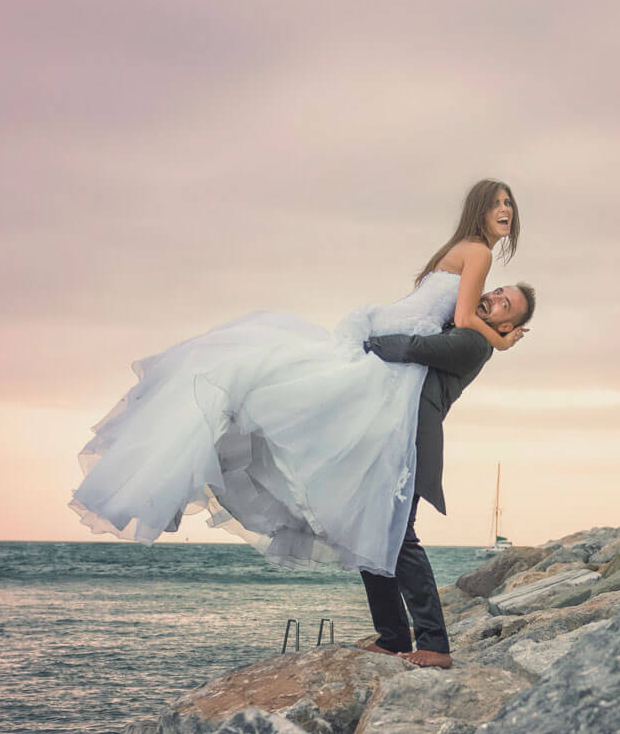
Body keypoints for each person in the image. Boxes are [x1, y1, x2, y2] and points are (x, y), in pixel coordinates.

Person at [69, 179, 528, 586]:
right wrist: (502, 341)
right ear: (480, 211)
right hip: (401, 342)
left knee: (315, 405)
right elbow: (466, 318)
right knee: (332, 423)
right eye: (496, 203)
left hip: (394, 327)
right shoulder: (480, 252)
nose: (505, 209)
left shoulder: (454, 249)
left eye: (509, 203)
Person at [359, 282, 535, 668]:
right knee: (374, 535)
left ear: (507, 327)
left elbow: (413, 349)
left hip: (414, 445)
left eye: (505, 304)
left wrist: (365, 344)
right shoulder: (464, 325)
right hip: (395, 438)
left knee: (400, 539)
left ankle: (435, 643)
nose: (492, 297)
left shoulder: (474, 343)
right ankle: (391, 637)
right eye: (498, 290)